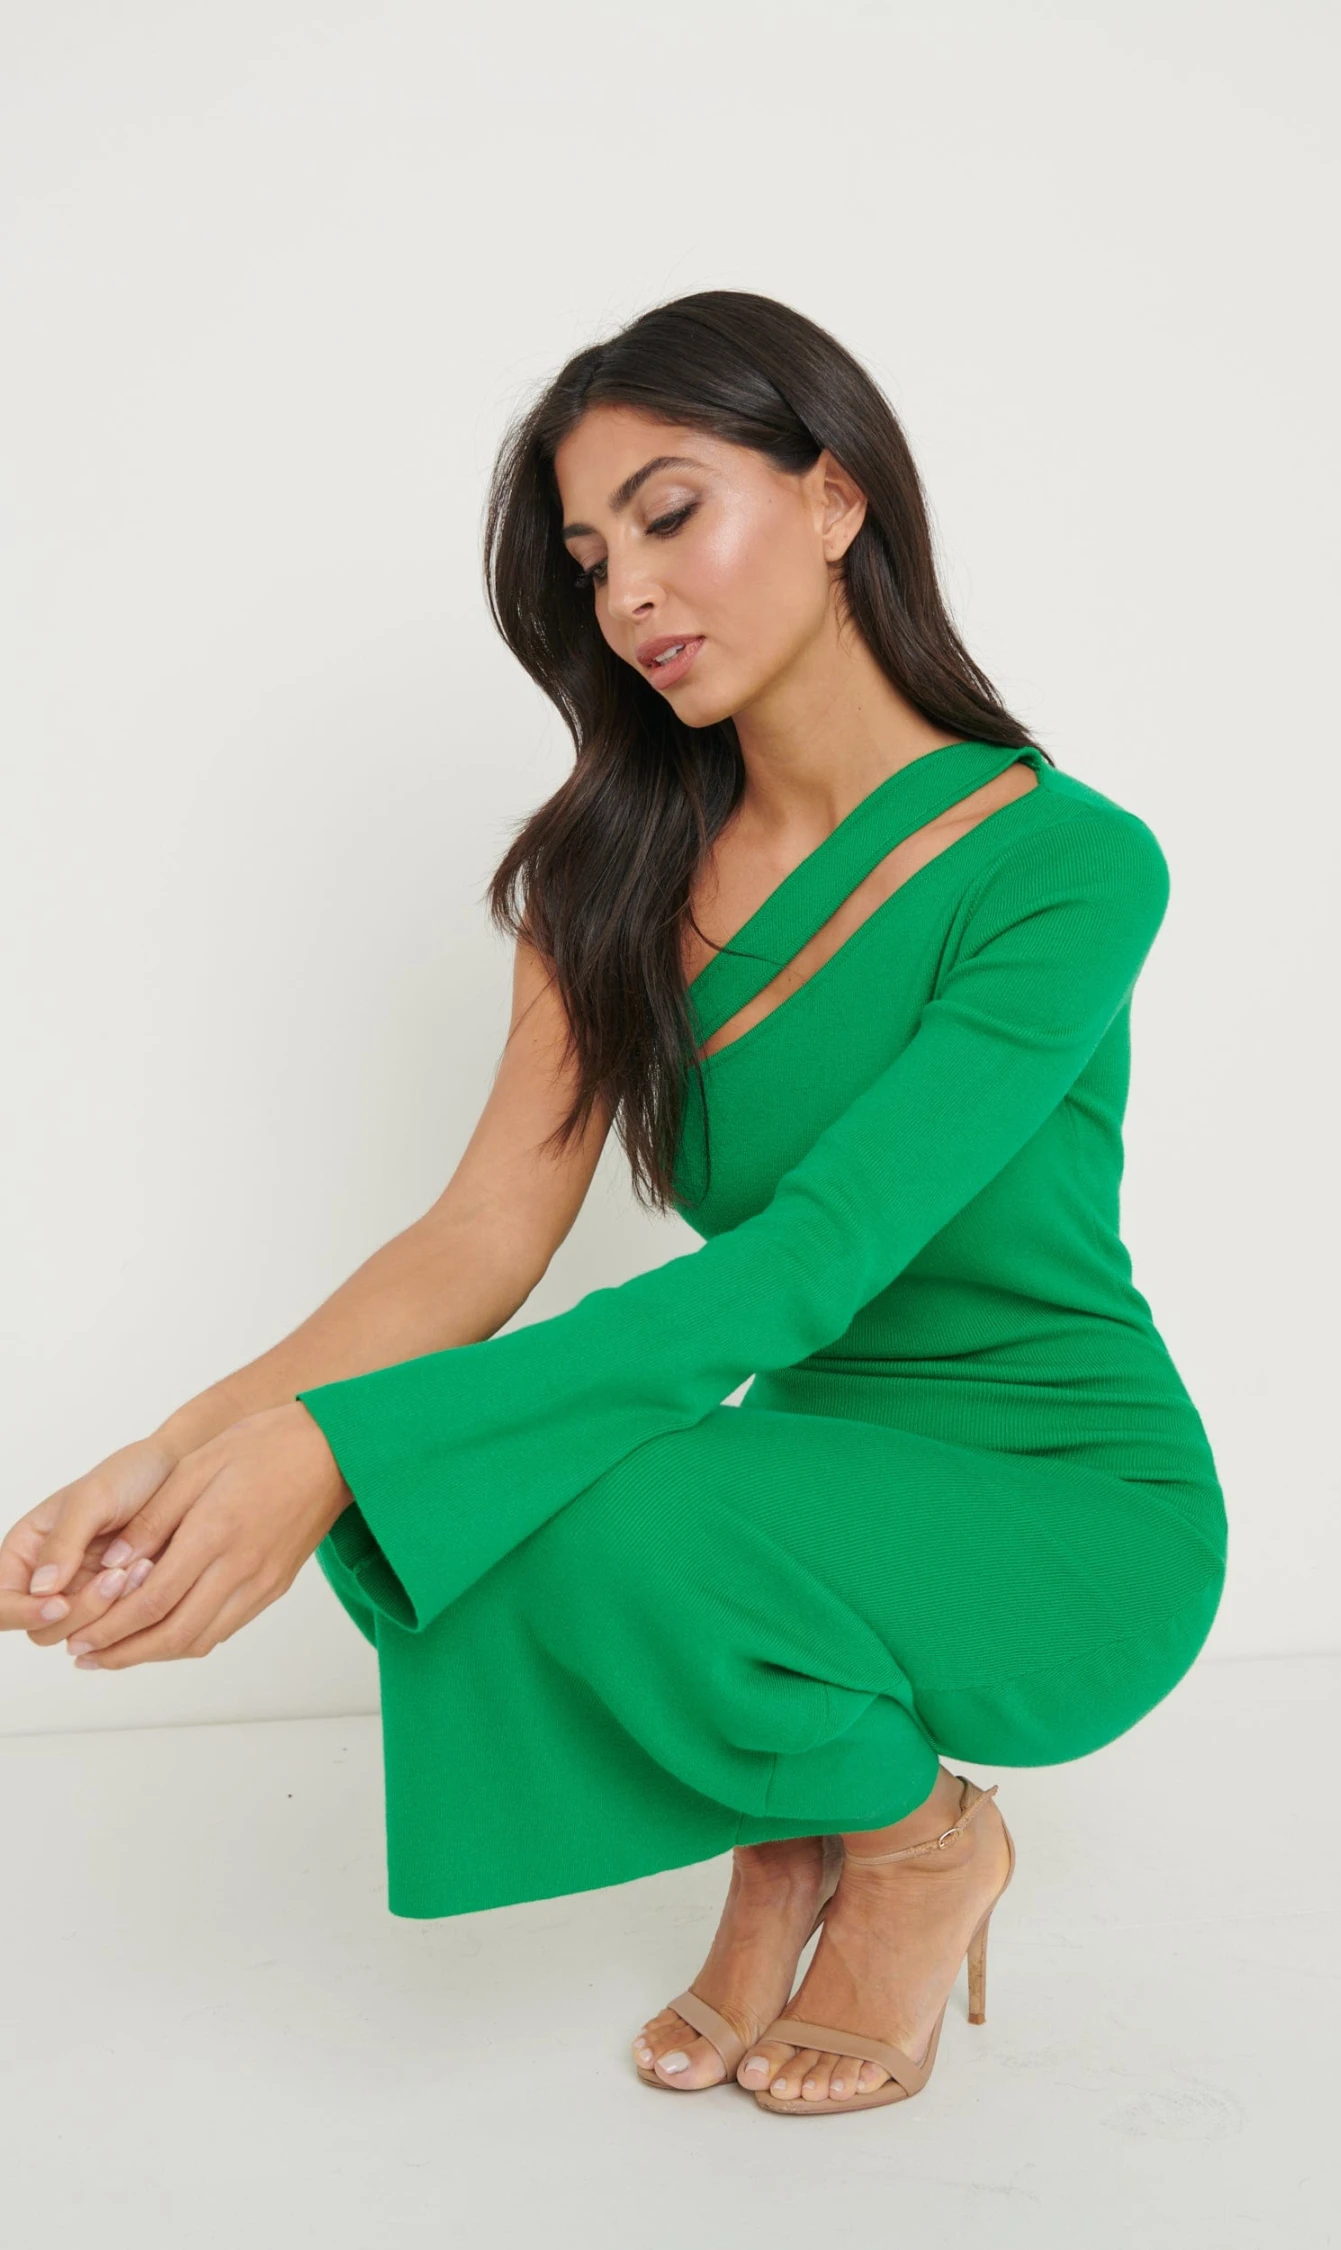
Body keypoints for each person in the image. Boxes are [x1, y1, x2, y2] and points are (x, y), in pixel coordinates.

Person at [4, 290, 1228, 2118]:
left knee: (509, 1466)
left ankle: (916, 1845)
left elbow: (813, 1263)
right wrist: (189, 1452)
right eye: (589, 562)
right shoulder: (610, 884)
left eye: (670, 514)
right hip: (795, 1489)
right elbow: (474, 1241)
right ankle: (801, 1821)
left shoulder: (1063, 862)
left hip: (1069, 1507)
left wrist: (333, 1447)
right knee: (477, 1478)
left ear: (835, 497)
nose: (631, 594)